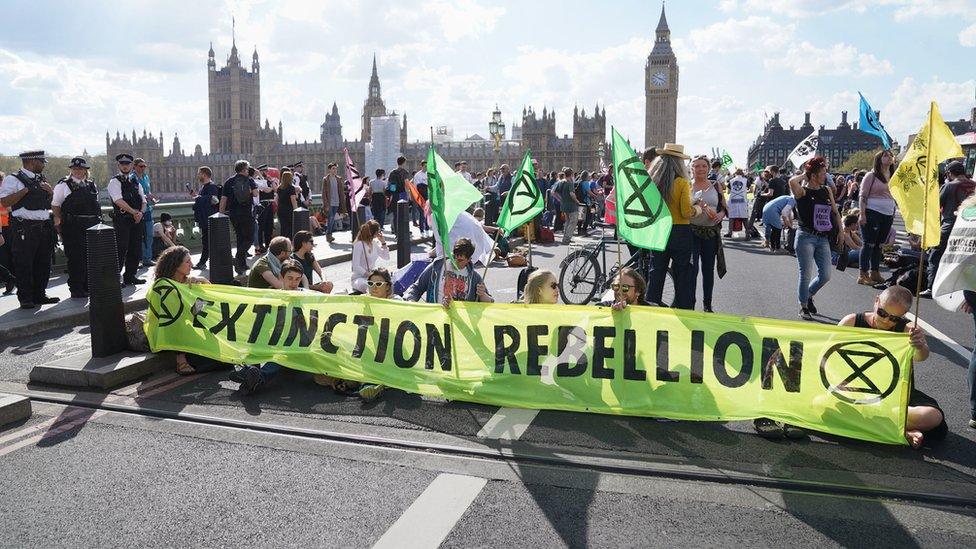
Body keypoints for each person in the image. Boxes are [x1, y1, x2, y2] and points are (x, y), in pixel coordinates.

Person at [838, 286, 945, 448]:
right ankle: (897, 429)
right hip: (854, 389)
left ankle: (870, 423)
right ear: (876, 301)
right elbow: (827, 357)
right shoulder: (851, 322)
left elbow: (921, 357)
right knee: (818, 404)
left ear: (902, 316)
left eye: (894, 318)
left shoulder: (909, 330)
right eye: (882, 313)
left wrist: (920, 345)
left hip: (896, 394)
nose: (886, 320)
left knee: (932, 416)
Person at [312, 267, 394, 402]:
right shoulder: (362, 300)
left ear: (388, 287)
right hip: (361, 347)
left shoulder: (396, 302)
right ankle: (360, 382)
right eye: (370, 284)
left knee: (370, 364)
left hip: (384, 349)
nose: (374, 288)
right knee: (319, 376)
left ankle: (368, 384)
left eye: (378, 284)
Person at [153, 246, 231, 376]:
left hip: (190, 329)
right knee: (217, 362)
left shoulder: (187, 282)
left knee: (226, 361)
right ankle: (181, 360)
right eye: (187, 262)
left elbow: (202, 308)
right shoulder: (163, 286)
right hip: (169, 332)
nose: (192, 265)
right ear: (176, 264)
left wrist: (203, 283)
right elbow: (174, 319)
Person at [237, 259, 307, 395]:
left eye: (297, 279)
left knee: (282, 353)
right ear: (281, 277)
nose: (294, 284)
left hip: (296, 348)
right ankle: (251, 371)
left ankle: (255, 376)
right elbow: (260, 328)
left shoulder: (305, 297)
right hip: (277, 342)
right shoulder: (271, 297)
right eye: (290, 278)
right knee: (257, 332)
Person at [0, 150, 59, 308]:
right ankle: (25, 298)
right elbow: (4, 202)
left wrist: (50, 192)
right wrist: (25, 191)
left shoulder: (41, 179)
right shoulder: (13, 179)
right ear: (33, 161)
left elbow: (48, 203)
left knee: (43, 263)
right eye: (42, 162)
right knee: (24, 263)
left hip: (43, 227)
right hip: (24, 228)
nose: (43, 165)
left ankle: (40, 295)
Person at [646, 144, 702, 310]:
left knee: (656, 272)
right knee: (683, 273)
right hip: (680, 232)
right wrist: (697, 209)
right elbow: (686, 212)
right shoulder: (682, 182)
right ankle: (684, 310)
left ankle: (651, 307)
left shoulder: (652, 182)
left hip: (659, 231)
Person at [790, 156, 839, 320]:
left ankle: (809, 294)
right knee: (806, 273)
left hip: (823, 237)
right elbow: (792, 182)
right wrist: (805, 174)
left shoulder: (827, 190)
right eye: (823, 173)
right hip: (806, 237)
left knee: (825, 275)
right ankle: (803, 305)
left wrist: (841, 230)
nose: (826, 176)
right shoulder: (802, 192)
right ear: (814, 175)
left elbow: (835, 211)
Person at [921, 160, 975, 297]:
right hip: (970, 228)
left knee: (936, 255)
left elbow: (935, 206)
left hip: (950, 226)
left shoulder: (949, 186)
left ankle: (932, 287)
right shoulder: (974, 185)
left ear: (950, 173)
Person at [52, 157, 101, 298]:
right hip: (72, 226)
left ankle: (87, 286)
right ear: (71, 170)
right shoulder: (63, 185)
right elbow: (55, 205)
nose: (77, 171)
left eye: (80, 169)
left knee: (89, 257)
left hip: (90, 225)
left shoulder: (91, 185)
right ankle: (76, 288)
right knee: (75, 258)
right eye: (74, 169)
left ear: (85, 170)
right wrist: (62, 221)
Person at [405, 238, 494, 305]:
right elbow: (417, 287)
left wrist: (482, 295)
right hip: (436, 320)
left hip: (461, 324)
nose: (455, 262)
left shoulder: (475, 278)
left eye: (460, 260)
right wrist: (410, 301)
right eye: (454, 257)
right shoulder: (436, 267)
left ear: (469, 260)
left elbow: (490, 303)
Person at [689, 155, 726, 313]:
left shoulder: (716, 186)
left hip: (711, 233)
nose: (701, 169)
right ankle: (690, 302)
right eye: (697, 166)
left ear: (708, 168)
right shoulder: (687, 186)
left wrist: (721, 215)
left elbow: (724, 207)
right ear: (692, 169)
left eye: (703, 166)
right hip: (692, 231)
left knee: (708, 269)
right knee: (692, 268)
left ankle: (707, 304)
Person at [857, 150, 897, 286]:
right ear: (879, 159)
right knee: (869, 243)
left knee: (879, 244)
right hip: (872, 211)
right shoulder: (871, 175)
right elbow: (862, 196)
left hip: (888, 213)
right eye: (885, 155)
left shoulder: (894, 176)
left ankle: (875, 272)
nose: (889, 157)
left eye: (890, 155)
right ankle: (863, 274)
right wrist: (862, 214)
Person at [107, 153, 147, 285]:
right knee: (121, 249)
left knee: (135, 248)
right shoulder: (115, 181)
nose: (125, 166)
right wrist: (134, 212)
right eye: (122, 164)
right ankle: (115, 278)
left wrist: (140, 212)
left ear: (131, 165)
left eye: (128, 164)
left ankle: (130, 275)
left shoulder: (135, 181)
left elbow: (144, 200)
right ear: (118, 165)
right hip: (122, 220)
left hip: (136, 220)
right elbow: (118, 200)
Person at [219, 159, 258, 275]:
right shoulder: (249, 180)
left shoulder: (229, 181)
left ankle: (241, 264)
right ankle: (238, 257)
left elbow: (223, 199)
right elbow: (256, 194)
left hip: (234, 215)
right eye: (248, 168)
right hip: (246, 213)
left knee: (240, 238)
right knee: (249, 238)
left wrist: (220, 214)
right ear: (245, 169)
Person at [189, 166, 220, 269]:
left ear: (204, 174)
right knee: (207, 241)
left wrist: (199, 198)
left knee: (207, 242)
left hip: (210, 219)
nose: (197, 175)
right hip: (205, 218)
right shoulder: (204, 187)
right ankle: (208, 262)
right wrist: (197, 198)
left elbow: (215, 200)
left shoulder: (212, 186)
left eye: (199, 173)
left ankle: (203, 262)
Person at [351, 220, 389, 293]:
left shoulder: (374, 243)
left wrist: (383, 242)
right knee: (370, 286)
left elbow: (386, 257)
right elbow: (355, 266)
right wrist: (369, 275)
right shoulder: (359, 244)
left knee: (386, 283)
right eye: (378, 231)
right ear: (372, 233)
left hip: (372, 278)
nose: (379, 233)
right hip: (359, 278)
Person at [132, 158, 156, 267]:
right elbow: (134, 194)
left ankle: (147, 258)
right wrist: (146, 196)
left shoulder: (146, 177)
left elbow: (147, 190)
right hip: (137, 209)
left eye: (144, 166)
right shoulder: (132, 178)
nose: (143, 168)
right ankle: (137, 260)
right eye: (141, 166)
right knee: (137, 236)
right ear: (135, 166)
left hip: (148, 209)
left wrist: (152, 198)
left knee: (149, 234)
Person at [253, 163, 275, 254]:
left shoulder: (268, 180)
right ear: (260, 171)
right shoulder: (258, 181)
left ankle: (268, 244)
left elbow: (275, 188)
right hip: (262, 205)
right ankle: (260, 245)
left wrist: (272, 183)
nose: (267, 172)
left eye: (267, 170)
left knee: (269, 225)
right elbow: (267, 190)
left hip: (270, 204)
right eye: (265, 171)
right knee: (261, 225)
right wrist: (271, 185)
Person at [556, 167, 581, 245]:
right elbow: (571, 193)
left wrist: (560, 199)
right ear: (571, 174)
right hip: (571, 205)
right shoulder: (569, 182)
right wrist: (576, 200)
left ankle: (565, 238)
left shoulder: (561, 182)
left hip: (564, 205)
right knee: (573, 222)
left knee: (567, 221)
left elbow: (553, 192)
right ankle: (567, 239)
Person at [322, 162, 344, 243]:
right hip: (330, 203)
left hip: (337, 202)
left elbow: (341, 191)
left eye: (336, 169)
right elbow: (324, 193)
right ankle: (329, 235)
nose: (335, 170)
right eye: (333, 169)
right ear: (329, 170)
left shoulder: (338, 179)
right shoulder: (326, 179)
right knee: (330, 218)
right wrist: (326, 204)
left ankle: (329, 234)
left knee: (333, 219)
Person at [724, 169, 750, 237]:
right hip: (742, 200)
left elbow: (729, 191)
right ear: (742, 174)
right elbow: (750, 189)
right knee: (744, 217)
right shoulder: (746, 180)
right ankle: (747, 233)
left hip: (733, 200)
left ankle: (730, 232)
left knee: (732, 216)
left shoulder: (731, 180)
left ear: (735, 173)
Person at [388, 155, 410, 231]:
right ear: (403, 163)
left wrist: (392, 194)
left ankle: (396, 230)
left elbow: (391, 185)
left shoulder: (392, 172)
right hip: (402, 194)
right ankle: (403, 230)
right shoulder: (404, 172)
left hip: (394, 195)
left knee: (395, 213)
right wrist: (408, 194)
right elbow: (406, 184)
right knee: (403, 213)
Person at [276, 168, 298, 240]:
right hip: (289, 210)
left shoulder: (279, 188)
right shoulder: (291, 188)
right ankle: (289, 244)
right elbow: (293, 200)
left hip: (281, 210)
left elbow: (276, 200)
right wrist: (296, 210)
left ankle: (282, 243)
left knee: (283, 228)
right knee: (290, 228)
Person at [413, 159, 429, 235]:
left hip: (428, 197)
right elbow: (416, 188)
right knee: (422, 214)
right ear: (421, 166)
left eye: (427, 166)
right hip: (421, 196)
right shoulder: (417, 175)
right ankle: (422, 230)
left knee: (428, 213)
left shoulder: (428, 174)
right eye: (425, 166)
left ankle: (427, 229)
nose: (426, 167)